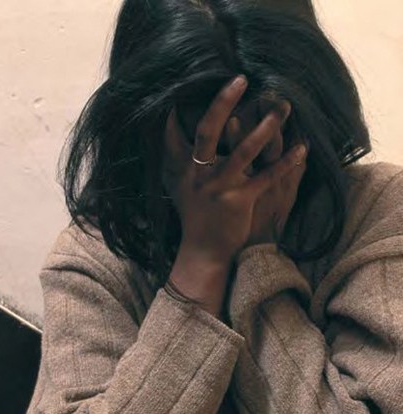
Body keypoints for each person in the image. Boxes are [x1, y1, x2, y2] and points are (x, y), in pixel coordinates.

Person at [27, 0, 403, 412]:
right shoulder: (93, 260)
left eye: (264, 142)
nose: (238, 178)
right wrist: (202, 260)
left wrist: (258, 257)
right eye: (209, 147)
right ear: (145, 131)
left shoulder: (378, 210)